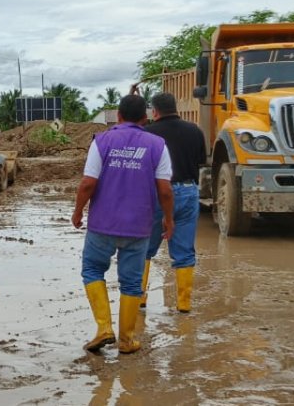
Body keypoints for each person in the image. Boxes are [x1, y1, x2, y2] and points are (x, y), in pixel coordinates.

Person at [72, 94, 174, 354]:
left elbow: (88, 183)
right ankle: (127, 340)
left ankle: (104, 328)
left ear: (118, 115)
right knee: (131, 282)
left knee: (93, 270)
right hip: (139, 227)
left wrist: (77, 212)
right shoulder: (157, 145)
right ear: (145, 118)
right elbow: (164, 190)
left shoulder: (102, 140)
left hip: (102, 225)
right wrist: (168, 218)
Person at [142, 92, 207, 313]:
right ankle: (184, 304)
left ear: (154, 111)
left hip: (156, 193)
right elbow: (200, 161)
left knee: (144, 249)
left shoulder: (148, 134)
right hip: (188, 192)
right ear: (176, 108)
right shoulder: (195, 131)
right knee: (184, 251)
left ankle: (139, 299)